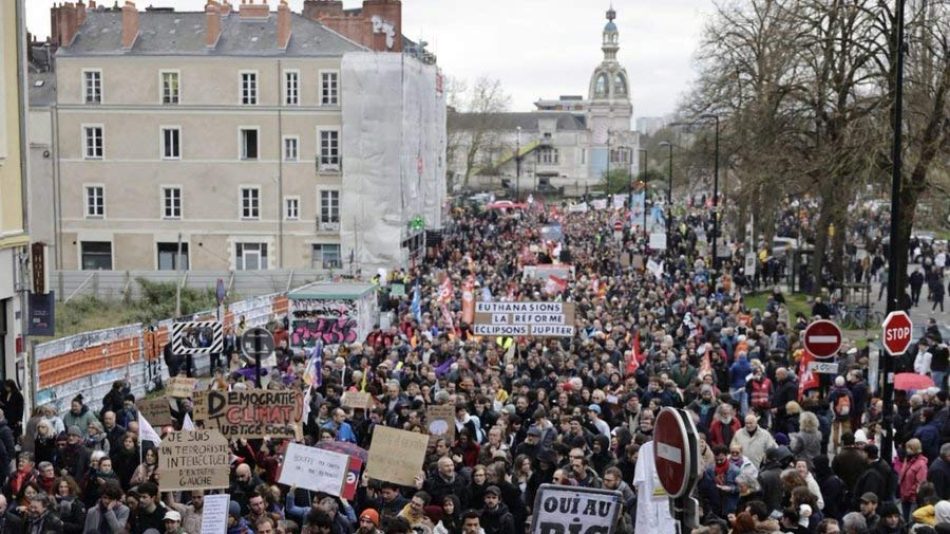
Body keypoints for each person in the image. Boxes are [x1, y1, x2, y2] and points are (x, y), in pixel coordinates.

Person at [900, 439, 930, 521]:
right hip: (904, 496)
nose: (907, 450)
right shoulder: (908, 460)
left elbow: (920, 482)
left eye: (910, 448)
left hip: (913, 498)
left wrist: (909, 493)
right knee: (904, 519)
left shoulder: (921, 464)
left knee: (910, 520)